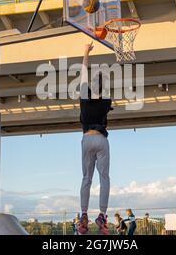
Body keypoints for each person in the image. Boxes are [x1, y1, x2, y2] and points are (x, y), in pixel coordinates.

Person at [77, 42, 113, 235]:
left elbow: (83, 72)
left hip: (86, 139)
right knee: (104, 177)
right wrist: (103, 78)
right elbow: (103, 88)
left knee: (86, 178)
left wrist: (85, 52)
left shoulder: (84, 97)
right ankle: (102, 214)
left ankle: (84, 215)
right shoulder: (106, 100)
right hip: (101, 139)